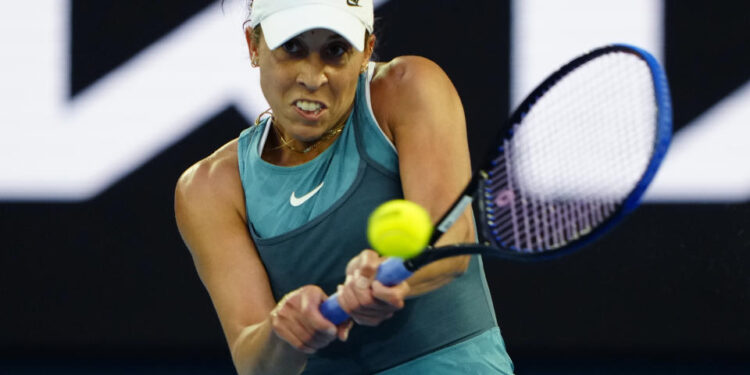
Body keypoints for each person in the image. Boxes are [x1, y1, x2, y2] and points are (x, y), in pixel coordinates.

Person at [174, 0, 514, 373]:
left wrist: (392, 275)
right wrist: (282, 331)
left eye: (335, 51)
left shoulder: (407, 88)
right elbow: (255, 363)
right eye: (292, 48)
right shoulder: (209, 188)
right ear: (253, 46)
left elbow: (451, 241)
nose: (313, 76)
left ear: (367, 51)